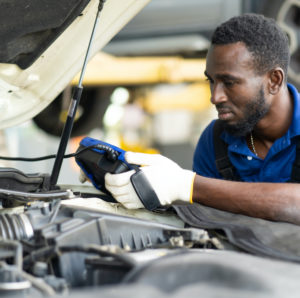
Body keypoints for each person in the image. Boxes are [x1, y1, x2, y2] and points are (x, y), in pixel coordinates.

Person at [104, 13, 300, 225]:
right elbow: (207, 223)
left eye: (230, 82)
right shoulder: (216, 140)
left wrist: (187, 186)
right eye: (212, 81)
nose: (215, 97)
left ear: (274, 80)